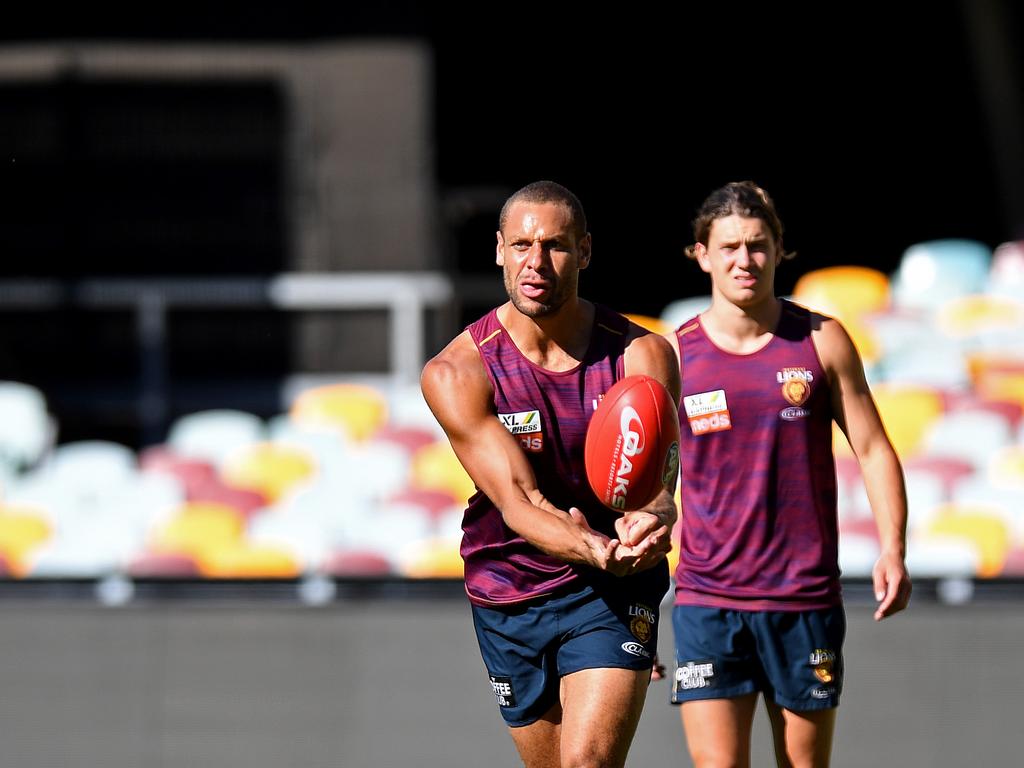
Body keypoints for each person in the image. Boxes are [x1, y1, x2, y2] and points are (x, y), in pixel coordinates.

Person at [421, 180, 680, 768]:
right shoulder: (457, 371)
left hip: (612, 587)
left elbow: (660, 488)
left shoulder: (641, 356)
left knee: (588, 762)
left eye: (556, 246)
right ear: (498, 250)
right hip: (509, 587)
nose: (536, 263)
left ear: (585, 252)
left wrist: (654, 519)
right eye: (521, 245)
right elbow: (519, 502)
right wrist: (589, 545)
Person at [664, 181, 912, 768]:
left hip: (802, 598)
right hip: (707, 599)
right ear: (701, 254)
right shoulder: (675, 356)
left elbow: (874, 449)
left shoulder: (821, 341)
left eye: (757, 245)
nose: (743, 261)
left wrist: (893, 548)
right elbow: (651, 489)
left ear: (779, 249)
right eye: (728, 248)